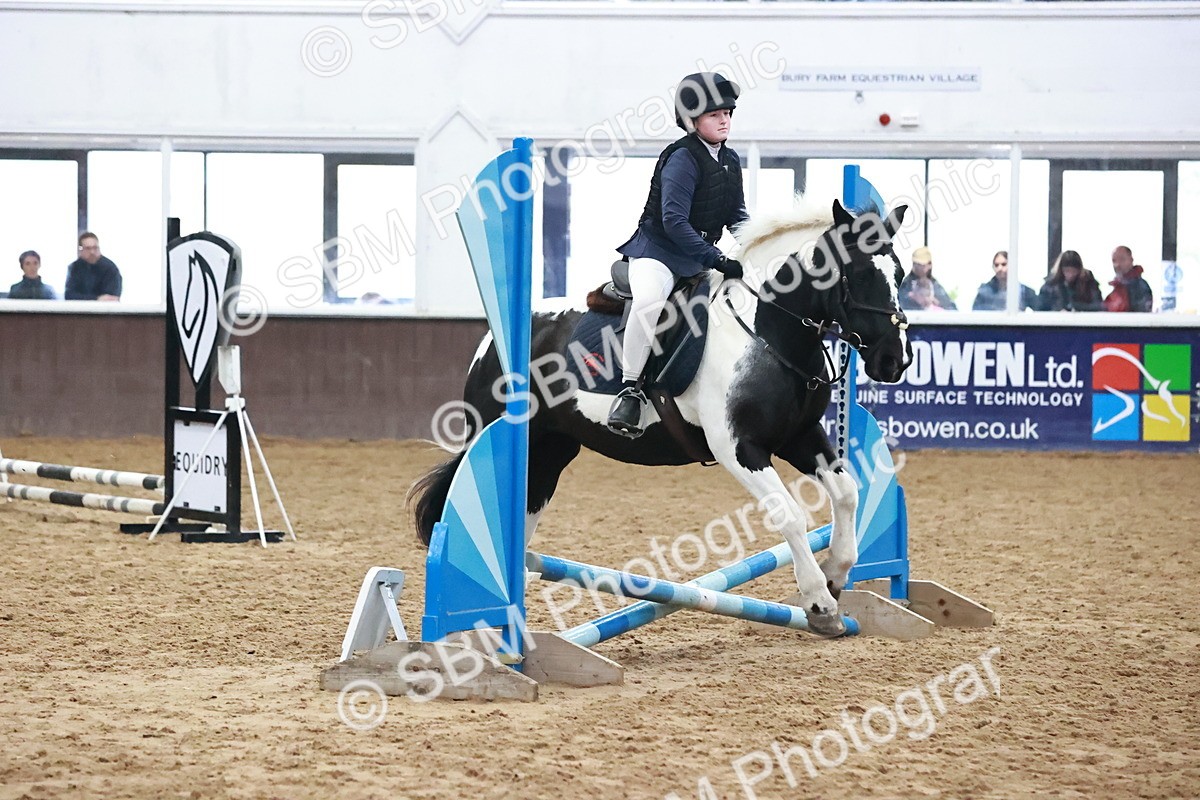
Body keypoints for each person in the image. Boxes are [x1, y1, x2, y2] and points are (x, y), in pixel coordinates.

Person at [606, 72, 748, 437]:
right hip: (658, 252)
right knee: (650, 301)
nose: (724, 119)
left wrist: (756, 248)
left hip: (697, 256)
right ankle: (630, 389)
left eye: (727, 112)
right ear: (690, 121)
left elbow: (737, 217)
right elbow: (673, 222)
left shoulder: (730, 159)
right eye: (714, 114)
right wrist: (716, 258)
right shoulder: (683, 158)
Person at [1035, 250, 1102, 311]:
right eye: (1067, 271)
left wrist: (1076, 308)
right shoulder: (1050, 286)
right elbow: (1040, 308)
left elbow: (1098, 305)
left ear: (1079, 270)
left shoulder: (1089, 283)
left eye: (1074, 271)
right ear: (1061, 270)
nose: (1070, 275)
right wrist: (1057, 310)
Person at [64, 232, 122, 300]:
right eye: (88, 248)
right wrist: (96, 298)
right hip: (79, 309)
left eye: (95, 248)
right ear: (80, 250)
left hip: (104, 309)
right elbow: (69, 295)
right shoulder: (74, 268)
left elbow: (111, 298)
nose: (92, 252)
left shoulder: (110, 268)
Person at [972, 250, 1036, 311]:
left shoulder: (1024, 291)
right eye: (996, 265)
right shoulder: (985, 292)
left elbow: (1040, 309)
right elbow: (976, 313)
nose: (999, 268)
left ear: (1012, 265)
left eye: (1004, 264)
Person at [898, 246, 956, 310]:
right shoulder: (905, 286)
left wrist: (935, 302)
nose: (918, 267)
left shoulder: (935, 286)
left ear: (929, 265)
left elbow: (952, 309)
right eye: (916, 264)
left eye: (921, 265)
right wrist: (913, 298)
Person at [1102, 245, 1153, 312]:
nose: (1117, 264)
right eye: (1114, 261)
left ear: (1131, 260)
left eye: (1122, 259)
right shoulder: (1117, 287)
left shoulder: (1140, 286)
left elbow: (1141, 314)